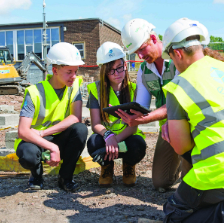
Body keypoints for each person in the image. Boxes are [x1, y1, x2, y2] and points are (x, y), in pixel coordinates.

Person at [161, 17, 224, 222]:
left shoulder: (180, 85)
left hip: (216, 175)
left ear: (177, 53)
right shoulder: (221, 67)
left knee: (173, 212)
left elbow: (181, 147)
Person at [118, 19, 183, 191]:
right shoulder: (143, 70)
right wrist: (130, 114)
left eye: (141, 49)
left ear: (154, 38)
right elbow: (142, 105)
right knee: (161, 182)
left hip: (188, 123)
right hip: (167, 128)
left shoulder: (177, 59)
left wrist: (142, 120)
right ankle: (181, 163)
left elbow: (177, 104)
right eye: (135, 52)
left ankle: (189, 166)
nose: (139, 56)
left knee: (192, 181)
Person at [14, 42, 88, 192]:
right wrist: (50, 145)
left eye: (75, 71)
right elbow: (23, 131)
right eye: (69, 72)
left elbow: (75, 117)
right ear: (55, 70)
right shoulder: (34, 92)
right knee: (28, 155)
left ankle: (65, 178)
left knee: (80, 130)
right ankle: (36, 174)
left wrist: (45, 134)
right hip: (35, 141)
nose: (74, 76)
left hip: (53, 136)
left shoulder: (74, 87)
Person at [86, 42, 146, 187]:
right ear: (104, 71)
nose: (117, 74)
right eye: (111, 71)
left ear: (125, 65)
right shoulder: (96, 90)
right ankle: (106, 167)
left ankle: (129, 166)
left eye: (119, 68)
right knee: (93, 142)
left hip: (127, 137)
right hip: (106, 137)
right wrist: (108, 137)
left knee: (138, 144)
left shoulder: (135, 90)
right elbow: (96, 124)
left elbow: (133, 126)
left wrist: (115, 140)